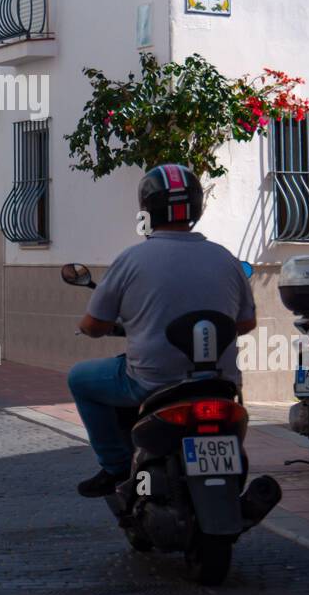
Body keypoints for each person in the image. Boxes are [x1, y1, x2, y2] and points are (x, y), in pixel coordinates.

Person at [68, 163, 257, 497]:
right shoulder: (225, 258)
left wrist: (96, 327)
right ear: (197, 207)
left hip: (152, 381)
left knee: (80, 379)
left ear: (148, 209)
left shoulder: (132, 260)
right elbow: (245, 323)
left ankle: (114, 467)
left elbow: (94, 325)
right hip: (220, 382)